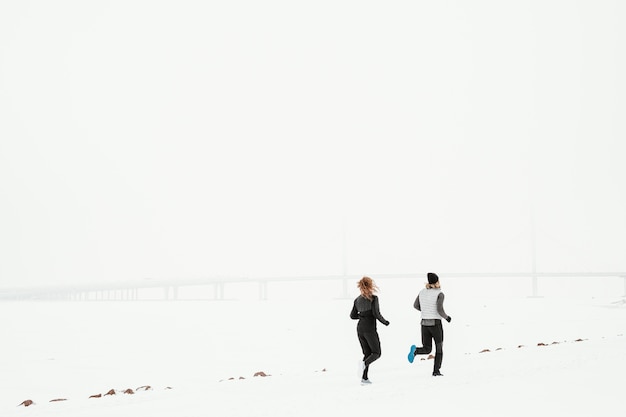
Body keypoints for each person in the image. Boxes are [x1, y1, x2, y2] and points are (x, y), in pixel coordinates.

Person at [407, 272, 452, 376]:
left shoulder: (422, 292)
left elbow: (415, 305)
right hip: (435, 324)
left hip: (424, 324)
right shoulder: (440, 294)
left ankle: (415, 351)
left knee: (427, 348)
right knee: (439, 348)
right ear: (437, 282)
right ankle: (436, 371)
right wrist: (447, 318)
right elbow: (439, 310)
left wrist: (426, 311)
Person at [350, 276, 390, 385]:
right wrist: (385, 322)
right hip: (369, 329)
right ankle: (364, 364)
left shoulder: (357, 300)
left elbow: (352, 316)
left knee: (367, 353)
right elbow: (376, 314)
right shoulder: (373, 298)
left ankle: (364, 378)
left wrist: (362, 316)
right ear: (371, 285)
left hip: (360, 329)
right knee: (376, 353)